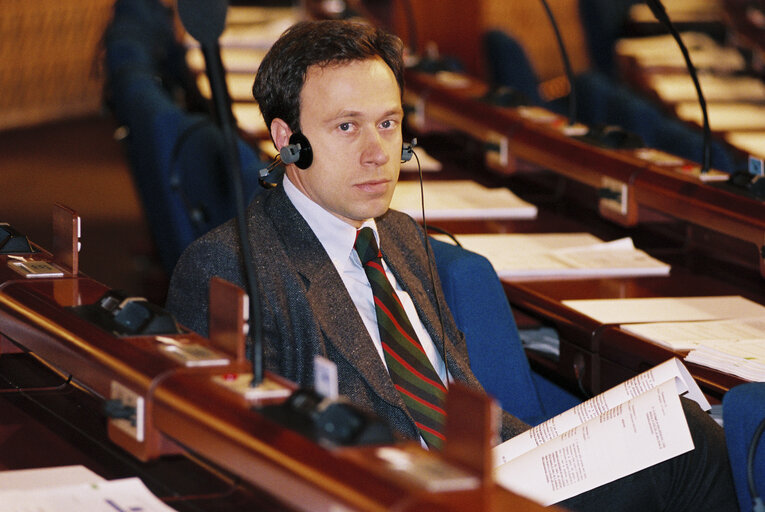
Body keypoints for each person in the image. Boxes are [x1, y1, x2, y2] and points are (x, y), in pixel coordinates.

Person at [165, 19, 737, 511]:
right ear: (287, 140)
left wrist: (558, 445)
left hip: (487, 470)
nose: (376, 152)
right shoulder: (230, 265)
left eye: (387, 124)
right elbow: (227, 463)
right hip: (398, 494)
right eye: (347, 126)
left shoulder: (399, 236)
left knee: (688, 432)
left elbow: (453, 392)